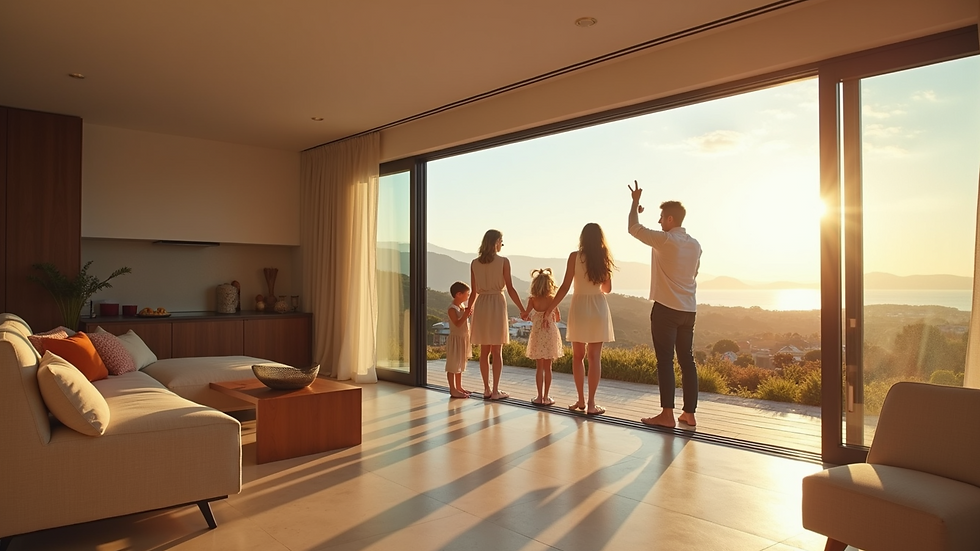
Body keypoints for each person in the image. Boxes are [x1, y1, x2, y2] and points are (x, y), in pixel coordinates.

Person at [628, 180, 702, 429]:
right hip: (688, 310)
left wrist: (635, 202)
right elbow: (694, 274)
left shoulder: (665, 240)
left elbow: (633, 228)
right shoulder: (695, 245)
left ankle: (667, 415)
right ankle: (689, 414)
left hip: (666, 310)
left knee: (665, 361)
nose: (659, 222)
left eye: (661, 218)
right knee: (687, 360)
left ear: (670, 219)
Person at [545, 223, 615, 416]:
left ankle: (581, 400)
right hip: (598, 307)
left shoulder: (574, 257)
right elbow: (607, 289)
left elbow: (566, 285)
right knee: (594, 358)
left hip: (579, 308)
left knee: (578, 356)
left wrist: (550, 308)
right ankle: (592, 404)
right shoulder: (604, 257)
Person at [469, 229, 525, 400]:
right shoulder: (503, 262)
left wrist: (468, 309)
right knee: (496, 350)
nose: (502, 244)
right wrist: (522, 309)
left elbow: (473, 292)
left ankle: (486, 389)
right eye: (501, 241)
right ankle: (495, 390)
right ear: (495, 242)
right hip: (496, 304)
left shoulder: (474, 263)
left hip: (481, 305)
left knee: (484, 351)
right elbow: (510, 287)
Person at [524, 268, 564, 406]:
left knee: (539, 367)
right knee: (548, 367)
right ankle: (547, 397)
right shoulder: (552, 299)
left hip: (537, 334)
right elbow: (558, 318)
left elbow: (525, 315)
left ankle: (539, 396)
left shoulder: (532, 300)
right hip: (550, 334)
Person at [445, 281, 474, 398]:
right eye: (467, 294)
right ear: (458, 294)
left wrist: (466, 313)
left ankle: (459, 386)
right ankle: (452, 389)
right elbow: (457, 324)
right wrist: (466, 315)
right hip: (455, 340)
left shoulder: (461, 307)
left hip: (463, 338)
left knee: (460, 364)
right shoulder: (452, 309)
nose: (468, 296)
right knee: (453, 365)